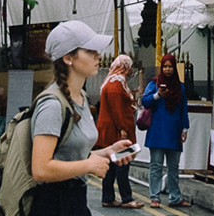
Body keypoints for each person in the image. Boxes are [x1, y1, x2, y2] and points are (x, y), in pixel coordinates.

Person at [29, 20, 132, 216]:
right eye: (90, 50)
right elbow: (40, 169)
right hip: (52, 205)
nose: (98, 55)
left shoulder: (81, 98)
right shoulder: (52, 105)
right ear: (68, 58)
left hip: (75, 201)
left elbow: (71, 158)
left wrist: (108, 152)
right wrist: (88, 166)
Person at [140, 52, 190, 208]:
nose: (168, 70)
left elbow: (183, 109)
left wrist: (184, 128)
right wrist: (157, 96)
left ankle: (175, 197)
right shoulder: (154, 84)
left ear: (174, 68)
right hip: (157, 130)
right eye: (165, 66)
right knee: (156, 166)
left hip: (174, 131)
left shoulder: (180, 87)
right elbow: (145, 101)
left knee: (173, 167)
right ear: (162, 68)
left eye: (170, 67)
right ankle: (155, 197)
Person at [95, 55, 139, 207]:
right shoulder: (116, 84)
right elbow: (116, 110)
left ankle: (108, 198)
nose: (131, 69)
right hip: (116, 131)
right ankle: (126, 198)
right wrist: (123, 129)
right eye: (130, 65)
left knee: (111, 165)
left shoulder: (113, 81)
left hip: (111, 130)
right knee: (122, 163)